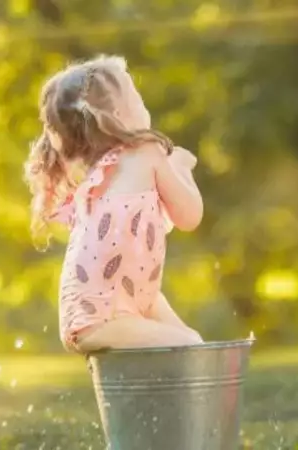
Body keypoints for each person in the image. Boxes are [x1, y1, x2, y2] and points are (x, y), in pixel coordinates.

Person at [23, 55, 204, 353]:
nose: (142, 101)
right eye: (136, 95)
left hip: (116, 307)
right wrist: (182, 168)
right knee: (192, 347)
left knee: (190, 341)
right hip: (108, 318)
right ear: (119, 113)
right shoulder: (146, 152)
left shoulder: (96, 175)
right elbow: (190, 216)